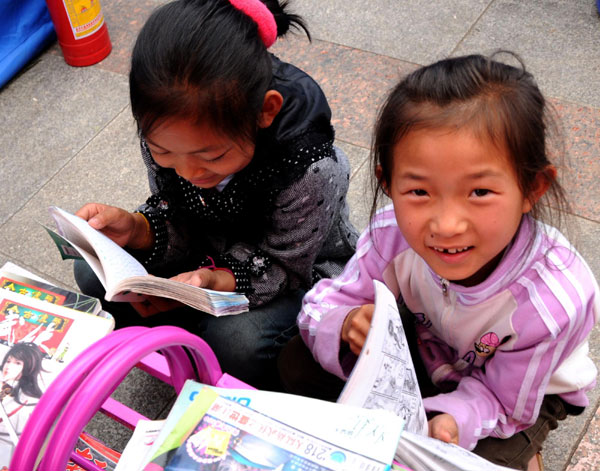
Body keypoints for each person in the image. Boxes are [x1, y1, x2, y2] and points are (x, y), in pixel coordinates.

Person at [280, 53, 600, 470]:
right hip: (432, 350)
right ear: (389, 184)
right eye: (419, 192)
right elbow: (325, 304)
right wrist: (344, 322)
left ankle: (526, 450)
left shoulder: (554, 300)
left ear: (531, 188)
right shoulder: (391, 232)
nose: (446, 225)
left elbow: (507, 401)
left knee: (475, 453)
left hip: (523, 393)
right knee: (296, 361)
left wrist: (451, 421)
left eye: (480, 192)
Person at [73, 0, 358, 390]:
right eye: (163, 152)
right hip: (205, 260)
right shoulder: (169, 134)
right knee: (92, 270)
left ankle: (236, 359)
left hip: (290, 274)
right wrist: (137, 229)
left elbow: (283, 269)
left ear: (265, 111)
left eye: (212, 156)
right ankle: (190, 333)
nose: (189, 172)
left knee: (238, 342)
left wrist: (214, 282)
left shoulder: (308, 167)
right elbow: (178, 214)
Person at [0, 342, 44, 463]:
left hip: (8, 454)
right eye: (8, 361)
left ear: (29, 368)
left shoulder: (31, 402)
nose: (8, 366)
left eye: (17, 363)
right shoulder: (5, 387)